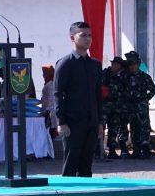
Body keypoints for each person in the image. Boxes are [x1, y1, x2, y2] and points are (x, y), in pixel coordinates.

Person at [54, 21, 104, 177]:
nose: (88, 39)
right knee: (70, 164)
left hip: (91, 122)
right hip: (72, 123)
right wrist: (61, 122)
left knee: (86, 166)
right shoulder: (64, 64)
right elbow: (58, 94)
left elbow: (98, 95)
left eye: (89, 35)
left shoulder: (95, 65)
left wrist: (100, 122)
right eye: (83, 35)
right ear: (72, 37)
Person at [124, 51, 155, 159]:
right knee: (134, 128)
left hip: (141, 106)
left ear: (138, 65)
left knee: (144, 127)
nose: (133, 67)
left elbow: (153, 89)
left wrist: (145, 99)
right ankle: (136, 150)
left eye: (135, 64)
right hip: (131, 106)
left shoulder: (144, 77)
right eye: (131, 65)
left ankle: (145, 149)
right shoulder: (126, 77)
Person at [102, 57, 130, 159]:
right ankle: (98, 151)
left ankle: (112, 150)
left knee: (113, 129)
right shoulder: (105, 73)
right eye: (114, 64)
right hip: (104, 107)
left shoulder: (122, 76)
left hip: (116, 107)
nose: (115, 66)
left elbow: (123, 90)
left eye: (117, 65)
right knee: (101, 128)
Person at [40, 64, 57, 134]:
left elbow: (50, 101)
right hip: (50, 113)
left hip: (50, 115)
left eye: (44, 73)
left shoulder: (50, 85)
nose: (43, 75)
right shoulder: (51, 83)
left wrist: (44, 112)